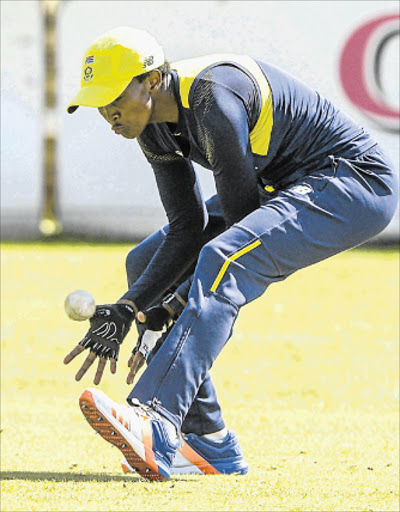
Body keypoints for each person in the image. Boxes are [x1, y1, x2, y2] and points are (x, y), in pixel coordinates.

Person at [64, 26, 398, 481]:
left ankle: (157, 418)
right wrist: (130, 307)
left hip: (354, 183)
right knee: (145, 264)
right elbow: (188, 228)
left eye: (114, 97)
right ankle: (210, 443)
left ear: (153, 81)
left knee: (225, 259)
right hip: (285, 187)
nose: (109, 114)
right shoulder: (151, 129)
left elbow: (239, 223)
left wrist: (172, 301)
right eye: (99, 103)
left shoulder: (212, 100)